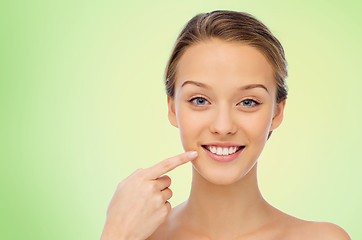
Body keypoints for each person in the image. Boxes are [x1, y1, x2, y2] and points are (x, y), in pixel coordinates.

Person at [100, 10, 351, 240]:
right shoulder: (136, 235)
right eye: (199, 100)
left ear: (276, 112)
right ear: (172, 108)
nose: (223, 126)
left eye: (248, 102)